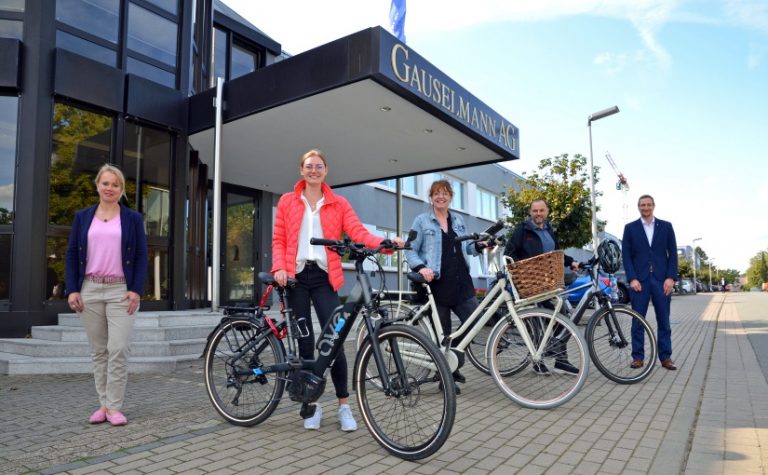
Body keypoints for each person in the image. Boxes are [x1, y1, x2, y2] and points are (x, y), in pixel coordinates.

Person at [271, 149, 403, 431]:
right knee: (306, 344)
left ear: (326, 170)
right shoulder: (287, 201)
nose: (314, 171)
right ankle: (312, 406)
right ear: (301, 170)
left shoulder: (338, 203)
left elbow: (358, 232)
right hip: (294, 278)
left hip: (323, 278)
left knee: (335, 340)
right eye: (309, 166)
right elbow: (279, 239)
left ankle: (344, 405)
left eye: (319, 166)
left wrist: (384, 242)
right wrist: (279, 267)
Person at [65, 164, 148, 426]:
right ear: (97, 185)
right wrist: (72, 289)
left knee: (118, 348)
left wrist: (136, 289)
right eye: (105, 183)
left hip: (120, 290)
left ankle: (114, 407)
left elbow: (141, 255)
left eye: (115, 184)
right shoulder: (83, 216)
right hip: (89, 288)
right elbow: (72, 254)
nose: (109, 188)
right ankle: (103, 404)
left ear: (121, 189)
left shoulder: (132, 219)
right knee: (98, 351)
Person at [404, 179, 491, 393]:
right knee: (442, 335)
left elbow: (468, 248)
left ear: (451, 196)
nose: (440, 197)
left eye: (444, 193)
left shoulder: (458, 220)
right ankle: (445, 375)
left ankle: (453, 363)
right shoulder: (422, 220)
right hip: (438, 284)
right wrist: (421, 267)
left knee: (474, 324)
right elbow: (409, 249)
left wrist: (479, 246)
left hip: (462, 282)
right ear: (431, 197)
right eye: (436, 193)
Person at [503, 198, 580, 375]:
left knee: (561, 317)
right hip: (530, 282)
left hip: (548, 282)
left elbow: (556, 254)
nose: (538, 214)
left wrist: (572, 262)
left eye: (541, 210)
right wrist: (523, 267)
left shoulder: (549, 230)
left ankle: (562, 360)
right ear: (531, 212)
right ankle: (538, 362)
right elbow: (509, 251)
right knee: (537, 321)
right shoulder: (523, 230)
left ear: (547, 212)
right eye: (535, 211)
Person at [622, 194, 678, 370]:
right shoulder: (630, 228)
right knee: (637, 321)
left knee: (664, 321)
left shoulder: (666, 227)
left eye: (648, 205)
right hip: (640, 282)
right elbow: (626, 256)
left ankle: (666, 357)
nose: (645, 208)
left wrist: (671, 277)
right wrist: (632, 278)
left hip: (662, 281)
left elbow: (673, 254)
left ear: (654, 206)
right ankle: (638, 357)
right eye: (642, 205)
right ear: (638, 207)